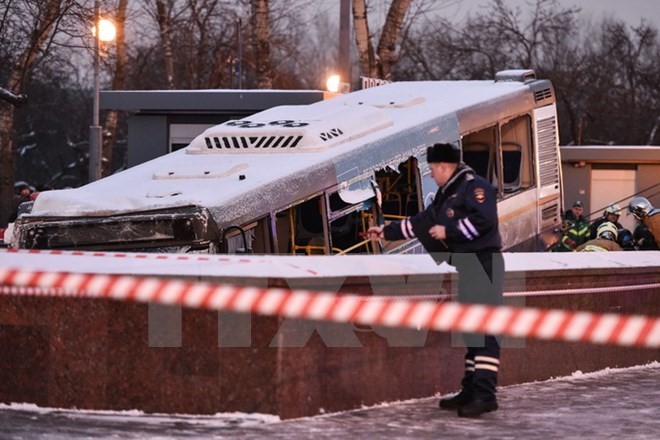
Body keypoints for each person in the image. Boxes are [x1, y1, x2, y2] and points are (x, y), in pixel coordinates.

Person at [367, 142, 503, 418]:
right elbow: (422, 222)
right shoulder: (449, 192)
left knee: (484, 329)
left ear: (444, 166)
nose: (430, 174)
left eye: (431, 169)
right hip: (469, 265)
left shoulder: (474, 187)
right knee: (472, 329)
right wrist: (386, 231)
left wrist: (448, 230)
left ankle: (486, 394)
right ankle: (471, 389)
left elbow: (485, 221)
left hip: (483, 263)